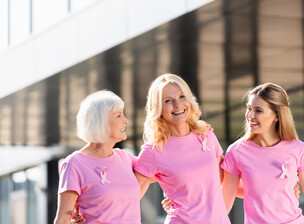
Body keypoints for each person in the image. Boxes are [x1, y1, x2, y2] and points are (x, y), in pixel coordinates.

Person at [221, 83, 304, 224]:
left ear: (277, 115)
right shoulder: (237, 151)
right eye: (249, 109)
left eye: (258, 110)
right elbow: (223, 205)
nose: (250, 115)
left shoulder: (299, 149)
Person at [133, 73, 231, 224]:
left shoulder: (207, 136)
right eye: (168, 101)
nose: (177, 105)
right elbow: (129, 197)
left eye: (182, 97)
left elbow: (225, 180)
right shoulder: (153, 150)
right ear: (158, 108)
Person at [53, 90, 141, 224]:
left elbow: (166, 173)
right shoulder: (74, 164)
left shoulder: (126, 158)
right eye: (118, 116)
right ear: (101, 121)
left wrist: (175, 197)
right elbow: (63, 219)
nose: (125, 120)